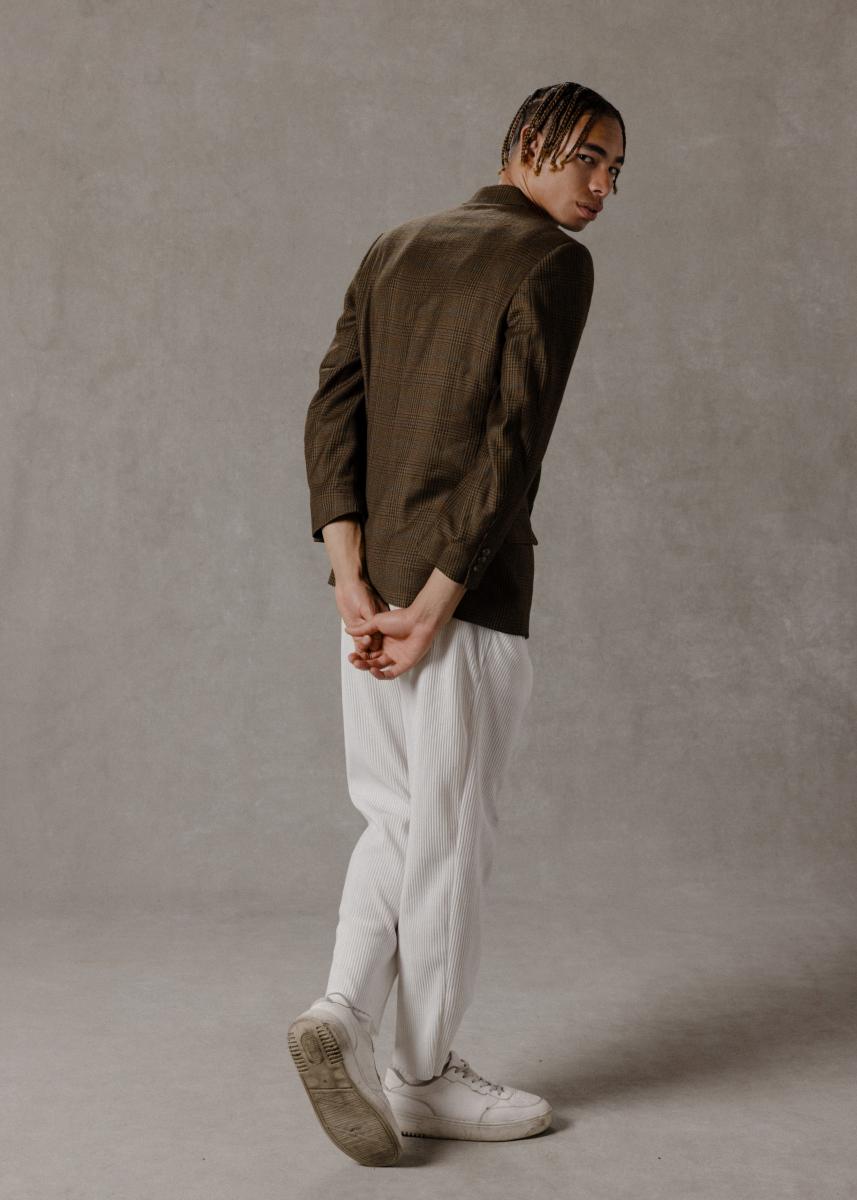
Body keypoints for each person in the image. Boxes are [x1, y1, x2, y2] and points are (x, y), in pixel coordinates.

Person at [290, 81, 626, 1167]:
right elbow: (510, 447)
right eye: (586, 156)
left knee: (393, 821)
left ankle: (341, 1011)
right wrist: (437, 602)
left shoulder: (393, 247)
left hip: (370, 600)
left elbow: (332, 411)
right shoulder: (551, 263)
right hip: (459, 605)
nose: (601, 185)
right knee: (448, 843)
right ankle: (423, 1076)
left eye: (615, 169)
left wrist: (349, 576)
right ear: (524, 144)